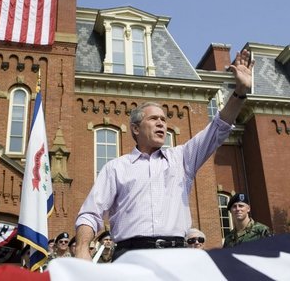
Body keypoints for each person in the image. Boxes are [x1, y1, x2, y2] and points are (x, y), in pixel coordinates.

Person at [74, 49, 253, 261]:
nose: (161, 123)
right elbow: (90, 213)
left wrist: (240, 92)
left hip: (175, 255)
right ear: (135, 129)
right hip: (130, 257)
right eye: (153, 119)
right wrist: (82, 248)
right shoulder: (116, 168)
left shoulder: (182, 158)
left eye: (163, 119)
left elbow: (218, 127)